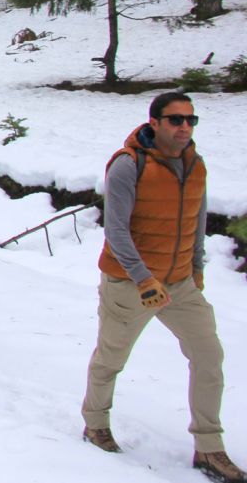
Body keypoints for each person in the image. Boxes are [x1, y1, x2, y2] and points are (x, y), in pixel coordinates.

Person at [80, 93, 241, 483]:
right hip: (130, 282)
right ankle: (95, 423)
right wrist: (143, 278)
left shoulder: (195, 164)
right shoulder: (127, 165)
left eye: (190, 119)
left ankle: (209, 447)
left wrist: (196, 269)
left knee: (209, 356)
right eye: (175, 120)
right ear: (154, 123)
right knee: (111, 358)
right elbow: (116, 230)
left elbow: (198, 221)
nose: (184, 126)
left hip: (179, 282)